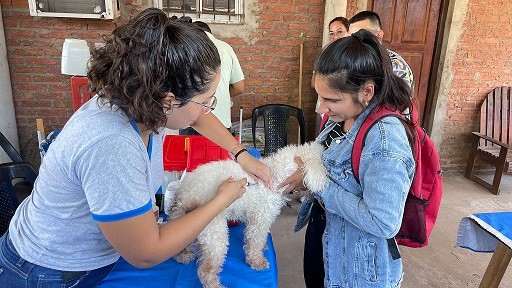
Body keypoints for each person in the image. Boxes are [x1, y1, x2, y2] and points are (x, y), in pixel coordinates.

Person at [0, 8, 271, 288]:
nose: (208, 109)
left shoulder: (143, 103)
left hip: (87, 255)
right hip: (50, 271)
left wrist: (239, 153)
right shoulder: (112, 144)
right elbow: (145, 254)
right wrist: (221, 200)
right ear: (169, 100)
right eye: (206, 100)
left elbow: (198, 116)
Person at [280, 30, 416, 287]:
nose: (321, 107)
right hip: (326, 234)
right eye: (319, 95)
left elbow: (383, 222)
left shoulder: (385, 141)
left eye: (331, 99)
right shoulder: (341, 118)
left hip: (357, 263)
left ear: (366, 91)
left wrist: (316, 182)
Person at [193, 21, 245, 131]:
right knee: (218, 149)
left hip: (193, 121)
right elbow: (239, 87)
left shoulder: (187, 48)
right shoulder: (226, 48)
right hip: (221, 121)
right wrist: (221, 96)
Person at [349, 10, 414, 89]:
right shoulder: (352, 58)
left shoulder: (395, 65)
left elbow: (400, 99)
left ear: (379, 35)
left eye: (362, 35)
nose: (354, 41)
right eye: (352, 37)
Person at [311, 16, 350, 89]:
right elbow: (314, 82)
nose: (335, 37)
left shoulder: (355, 54)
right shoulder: (324, 54)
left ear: (349, 31)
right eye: (332, 33)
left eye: (339, 32)